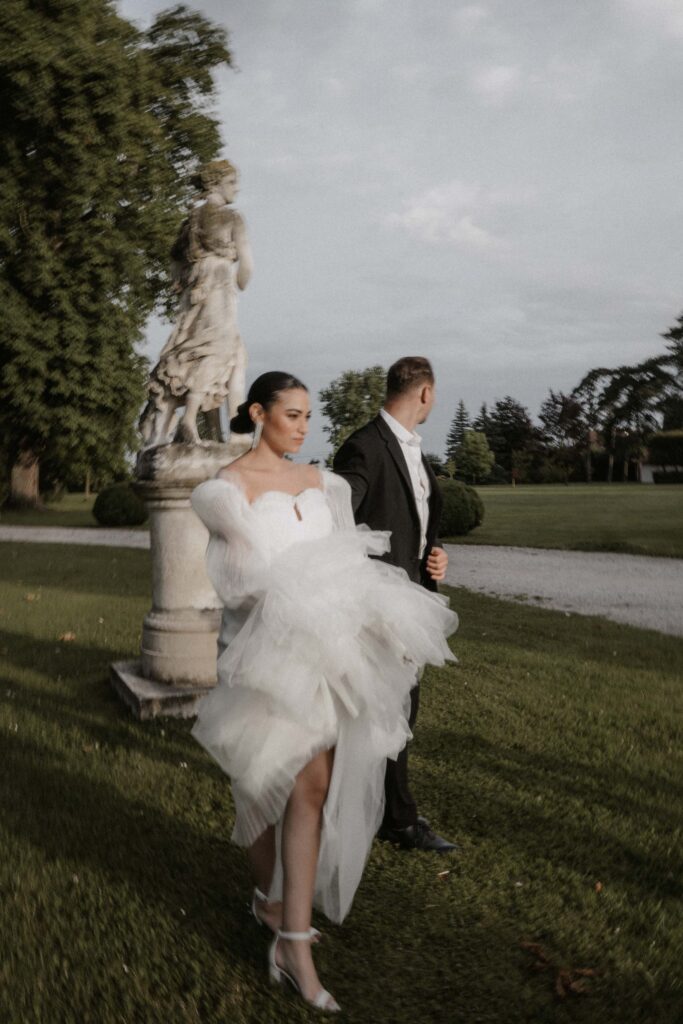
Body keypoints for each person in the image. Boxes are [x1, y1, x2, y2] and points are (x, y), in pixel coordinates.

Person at [190, 371, 457, 1013]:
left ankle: (294, 942)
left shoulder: (325, 484)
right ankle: (271, 901)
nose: (303, 428)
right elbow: (240, 583)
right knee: (259, 784)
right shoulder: (224, 491)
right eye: (291, 415)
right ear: (257, 413)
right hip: (259, 654)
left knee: (311, 784)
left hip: (321, 654)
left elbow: (349, 562)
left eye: (309, 416)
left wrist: (380, 608)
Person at [333, 356, 457, 854]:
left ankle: (386, 810)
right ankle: (396, 819)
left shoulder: (417, 454)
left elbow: (421, 523)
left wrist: (438, 554)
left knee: (402, 706)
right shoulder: (364, 446)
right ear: (425, 394)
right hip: (379, 604)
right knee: (383, 709)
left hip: (415, 599)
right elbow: (341, 514)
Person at [139, 160, 253, 448]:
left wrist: (183, 282)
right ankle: (192, 420)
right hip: (219, 288)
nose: (236, 188)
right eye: (232, 183)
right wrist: (239, 276)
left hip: (194, 291)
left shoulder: (189, 222)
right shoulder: (232, 218)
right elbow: (247, 268)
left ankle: (224, 432)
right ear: (215, 184)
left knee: (203, 351)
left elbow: (174, 264)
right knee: (219, 351)